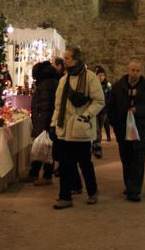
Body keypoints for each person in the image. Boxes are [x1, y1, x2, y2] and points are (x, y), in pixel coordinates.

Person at [50, 46, 104, 209]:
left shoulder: (90, 77)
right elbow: (58, 105)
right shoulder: (63, 80)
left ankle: (93, 192)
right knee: (65, 164)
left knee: (85, 163)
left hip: (81, 128)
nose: (64, 61)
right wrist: (53, 124)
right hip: (64, 128)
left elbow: (99, 101)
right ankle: (64, 197)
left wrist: (86, 115)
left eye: (67, 58)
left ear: (76, 60)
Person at [107, 59, 145, 202]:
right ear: (128, 70)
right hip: (123, 129)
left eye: (137, 70)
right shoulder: (118, 87)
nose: (134, 73)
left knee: (138, 159)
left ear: (141, 72)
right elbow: (110, 107)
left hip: (141, 129)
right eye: (132, 70)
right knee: (126, 158)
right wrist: (115, 124)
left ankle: (135, 191)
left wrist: (138, 110)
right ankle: (129, 185)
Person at [24, 61, 60, 186]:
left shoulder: (46, 85)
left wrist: (43, 125)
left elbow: (46, 106)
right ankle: (34, 173)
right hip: (46, 121)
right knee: (42, 147)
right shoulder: (50, 82)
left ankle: (46, 175)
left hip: (46, 122)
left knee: (47, 148)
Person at [95, 66, 112, 142]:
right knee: (96, 128)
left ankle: (100, 139)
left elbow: (110, 97)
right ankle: (97, 142)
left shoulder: (107, 86)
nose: (101, 77)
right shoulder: (94, 85)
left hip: (103, 110)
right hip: (95, 109)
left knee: (102, 125)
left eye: (102, 75)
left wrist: (106, 105)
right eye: (99, 75)